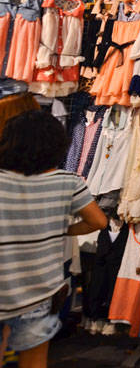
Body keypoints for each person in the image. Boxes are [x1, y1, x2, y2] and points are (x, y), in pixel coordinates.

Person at [0, 110, 108, 368]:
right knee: (34, 361)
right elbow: (99, 221)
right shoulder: (67, 182)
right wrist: (64, 230)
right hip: (40, 289)